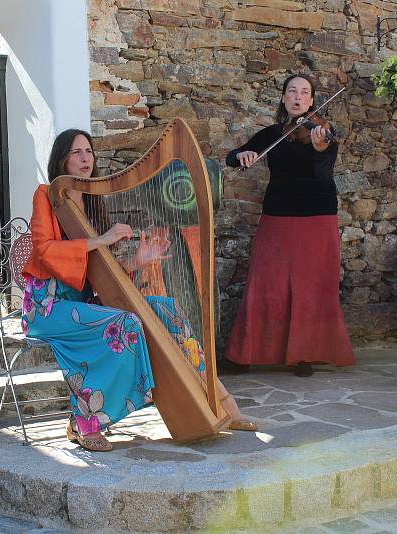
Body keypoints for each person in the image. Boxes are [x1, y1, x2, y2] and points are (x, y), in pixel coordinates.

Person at [22, 128, 257, 452]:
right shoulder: (46, 195)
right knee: (124, 325)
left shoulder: (91, 205)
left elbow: (101, 276)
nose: (85, 158)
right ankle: (84, 421)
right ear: (61, 158)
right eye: (76, 152)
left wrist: (137, 259)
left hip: (85, 303)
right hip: (47, 308)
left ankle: (223, 404)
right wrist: (102, 240)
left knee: (166, 310)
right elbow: (45, 251)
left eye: (89, 151)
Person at [222, 74, 355, 376]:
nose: (297, 97)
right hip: (277, 214)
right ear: (283, 98)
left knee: (310, 287)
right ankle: (244, 354)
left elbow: (323, 176)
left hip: (316, 216)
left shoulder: (323, 133)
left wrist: (321, 150)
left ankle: (303, 354)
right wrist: (240, 155)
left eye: (304, 93)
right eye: (292, 91)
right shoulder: (272, 134)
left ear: (311, 101)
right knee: (264, 282)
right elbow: (233, 157)